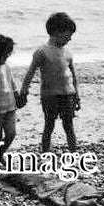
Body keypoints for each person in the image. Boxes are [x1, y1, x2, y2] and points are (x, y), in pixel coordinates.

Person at [19, 12, 80, 153]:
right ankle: (46, 153)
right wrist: (24, 92)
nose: (70, 39)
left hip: (68, 94)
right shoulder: (42, 51)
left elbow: (74, 77)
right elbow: (30, 73)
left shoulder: (68, 53)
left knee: (69, 126)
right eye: (68, 35)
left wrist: (77, 96)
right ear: (56, 32)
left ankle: (74, 153)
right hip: (50, 95)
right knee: (49, 125)